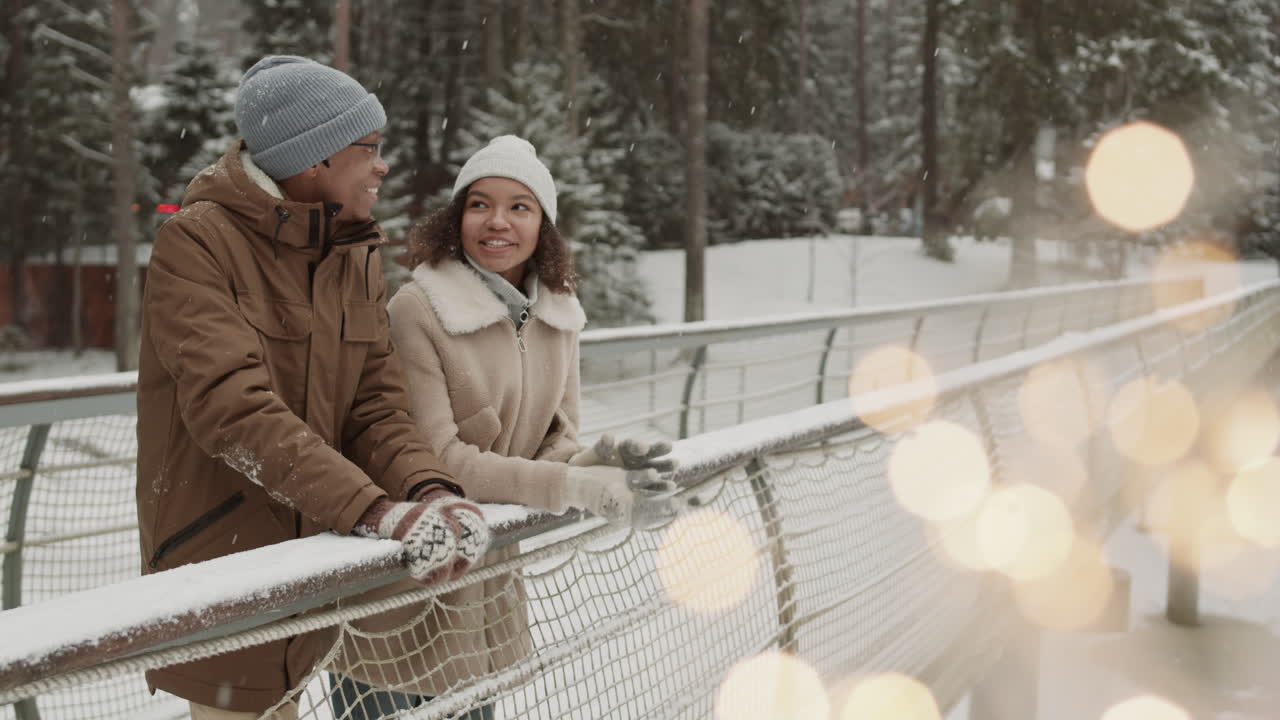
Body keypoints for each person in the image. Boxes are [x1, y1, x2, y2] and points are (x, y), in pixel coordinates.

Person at [135, 55, 490, 720]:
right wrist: (373, 510)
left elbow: (375, 404)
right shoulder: (195, 245)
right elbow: (232, 412)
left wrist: (427, 489)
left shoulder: (351, 249)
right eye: (369, 150)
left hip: (313, 565)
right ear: (315, 160)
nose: (382, 167)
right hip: (226, 566)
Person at [324, 135, 677, 718]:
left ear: (545, 223)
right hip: (401, 585)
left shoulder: (559, 317)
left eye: (520, 206)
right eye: (480, 203)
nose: (498, 222)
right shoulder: (419, 310)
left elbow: (552, 443)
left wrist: (596, 461)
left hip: (484, 589)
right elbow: (436, 460)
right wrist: (571, 488)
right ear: (457, 216)